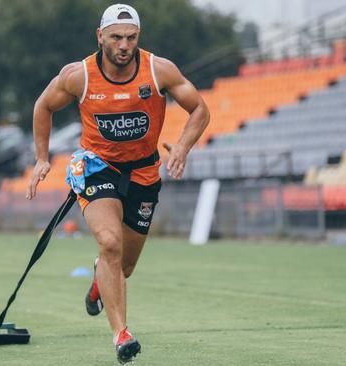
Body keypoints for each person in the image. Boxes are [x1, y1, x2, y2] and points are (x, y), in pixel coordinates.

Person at [26, 3, 209, 364]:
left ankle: (99, 280)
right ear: (100, 37)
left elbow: (199, 108)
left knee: (123, 266)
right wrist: (42, 157)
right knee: (109, 243)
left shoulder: (159, 70)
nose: (124, 45)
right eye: (116, 38)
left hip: (143, 172)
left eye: (131, 37)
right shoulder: (79, 75)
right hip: (97, 167)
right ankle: (121, 334)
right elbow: (43, 106)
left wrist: (183, 146)